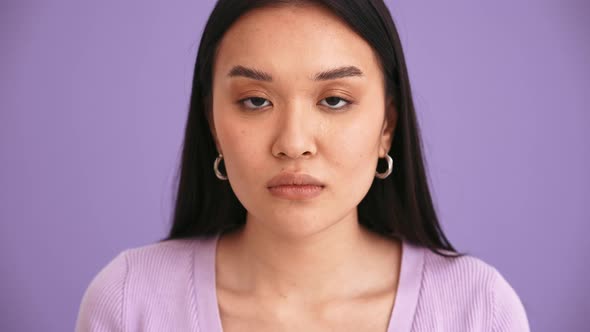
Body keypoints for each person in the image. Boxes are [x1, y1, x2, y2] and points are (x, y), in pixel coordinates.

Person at [75, 0, 530, 331]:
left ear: (387, 125)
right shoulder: (130, 301)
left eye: (334, 100)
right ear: (213, 123)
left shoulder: (478, 310)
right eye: (255, 101)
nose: (293, 144)